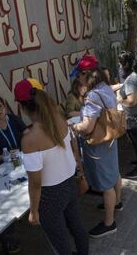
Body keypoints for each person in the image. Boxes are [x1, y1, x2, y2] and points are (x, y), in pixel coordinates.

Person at [14, 78, 89, 254]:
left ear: (23, 107)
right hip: (69, 183)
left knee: (59, 240)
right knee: (77, 226)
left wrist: (33, 210)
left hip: (50, 196)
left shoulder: (29, 139)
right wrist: (80, 172)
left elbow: (35, 183)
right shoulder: (60, 119)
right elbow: (74, 150)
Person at [71, 55, 123, 237]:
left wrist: (75, 127)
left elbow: (87, 127)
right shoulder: (105, 88)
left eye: (79, 76)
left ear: (86, 74)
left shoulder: (93, 95)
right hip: (110, 138)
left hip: (99, 144)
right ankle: (117, 202)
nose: (78, 79)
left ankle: (109, 223)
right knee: (114, 173)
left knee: (105, 184)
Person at [116, 51, 137, 178]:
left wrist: (119, 99)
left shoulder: (131, 79)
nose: (119, 66)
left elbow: (131, 101)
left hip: (135, 116)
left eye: (120, 64)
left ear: (124, 64)